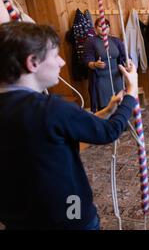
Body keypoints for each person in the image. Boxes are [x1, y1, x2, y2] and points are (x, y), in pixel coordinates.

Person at [0, 22, 138, 230]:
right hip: (68, 217)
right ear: (33, 62)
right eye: (55, 55)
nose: (62, 62)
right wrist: (132, 93)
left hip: (19, 220)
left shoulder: (34, 111)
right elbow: (108, 132)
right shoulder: (51, 109)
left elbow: (58, 137)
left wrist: (106, 111)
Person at [84, 18, 127, 112]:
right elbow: (87, 60)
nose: (104, 29)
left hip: (117, 79)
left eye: (106, 26)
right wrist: (95, 64)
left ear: (109, 28)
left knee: (119, 105)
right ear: (95, 28)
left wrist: (128, 63)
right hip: (101, 81)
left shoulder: (116, 41)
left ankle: (121, 125)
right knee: (105, 108)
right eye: (100, 26)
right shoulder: (91, 42)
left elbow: (125, 57)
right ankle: (107, 125)